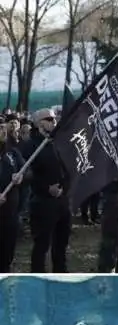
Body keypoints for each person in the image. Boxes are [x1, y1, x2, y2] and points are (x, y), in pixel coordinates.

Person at [21, 108, 71, 272]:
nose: (53, 121)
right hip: (42, 201)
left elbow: (67, 167)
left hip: (62, 200)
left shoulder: (57, 141)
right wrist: (45, 188)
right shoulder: (31, 145)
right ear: (38, 123)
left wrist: (64, 187)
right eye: (49, 119)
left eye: (54, 118)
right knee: (42, 245)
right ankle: (37, 276)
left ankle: (61, 274)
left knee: (61, 243)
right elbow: (26, 174)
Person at [0, 125, 24, 272]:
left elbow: (27, 170)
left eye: (3, 129)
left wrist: (21, 176)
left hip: (10, 215)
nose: (3, 132)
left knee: (6, 256)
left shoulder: (12, 153)